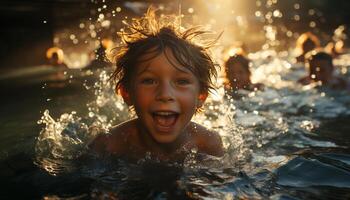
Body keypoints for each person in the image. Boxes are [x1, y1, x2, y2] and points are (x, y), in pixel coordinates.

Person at [89, 8, 224, 162]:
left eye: (181, 81)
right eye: (149, 81)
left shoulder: (208, 143)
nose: (165, 94)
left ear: (201, 95)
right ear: (126, 93)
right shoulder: (108, 145)